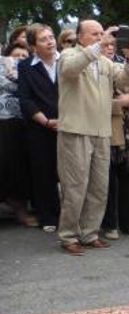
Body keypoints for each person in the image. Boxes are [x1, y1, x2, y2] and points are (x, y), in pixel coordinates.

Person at [55, 20, 129, 254]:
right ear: (80, 37)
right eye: (95, 34)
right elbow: (71, 70)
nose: (103, 38)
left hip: (102, 131)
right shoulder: (68, 55)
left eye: (103, 33)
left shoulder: (105, 61)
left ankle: (90, 233)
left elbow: (125, 82)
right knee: (75, 187)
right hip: (75, 130)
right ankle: (68, 236)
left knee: (99, 187)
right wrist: (99, 46)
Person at [16, 24, 61, 232]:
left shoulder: (66, 61)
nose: (50, 41)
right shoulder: (26, 66)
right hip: (40, 127)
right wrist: (46, 121)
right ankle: (48, 216)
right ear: (33, 46)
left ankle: (70, 214)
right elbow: (25, 99)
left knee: (70, 173)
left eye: (51, 37)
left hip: (69, 125)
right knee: (43, 172)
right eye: (43, 39)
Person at [101, 37, 129, 238]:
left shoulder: (124, 68)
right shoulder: (93, 70)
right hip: (107, 131)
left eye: (113, 45)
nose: (110, 48)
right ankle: (110, 224)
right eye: (106, 45)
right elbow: (92, 103)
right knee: (108, 182)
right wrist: (119, 103)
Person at [0, 42, 36, 227]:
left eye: (24, 56)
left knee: (20, 168)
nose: (19, 59)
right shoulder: (2, 66)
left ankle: (20, 209)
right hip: (3, 123)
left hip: (22, 123)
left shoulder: (30, 72)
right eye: (16, 55)